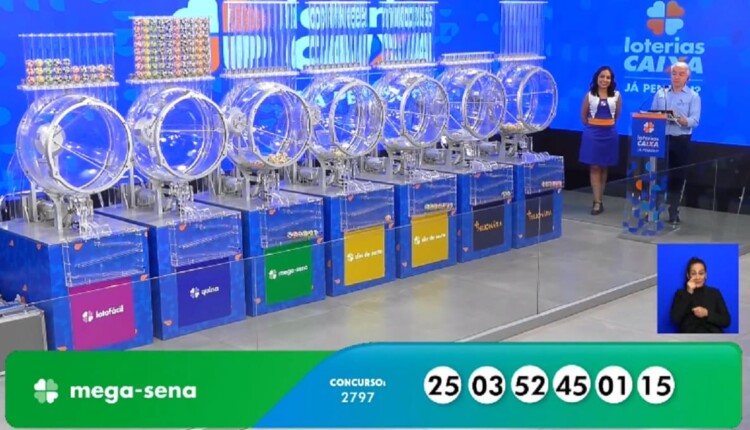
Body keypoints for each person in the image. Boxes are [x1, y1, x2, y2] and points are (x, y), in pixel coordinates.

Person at [651, 62, 701, 224]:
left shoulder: (693, 96)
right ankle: (654, 210)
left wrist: (676, 118)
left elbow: (694, 121)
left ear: (688, 77)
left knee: (677, 177)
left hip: (681, 141)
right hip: (661, 139)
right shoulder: (661, 93)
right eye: (674, 73)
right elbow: (651, 115)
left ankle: (673, 211)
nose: (676, 77)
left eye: (681, 74)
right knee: (657, 176)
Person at [578, 66, 622, 215]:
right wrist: (594, 126)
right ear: (597, 78)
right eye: (602, 76)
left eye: (608, 77)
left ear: (611, 80)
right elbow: (583, 116)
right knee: (595, 166)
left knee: (604, 166)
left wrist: (606, 124)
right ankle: (596, 202)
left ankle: (600, 199)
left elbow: (616, 115)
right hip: (593, 134)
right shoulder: (589, 95)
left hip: (609, 133)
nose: (605, 80)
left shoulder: (617, 95)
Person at [669, 257, 731, 334]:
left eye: (701, 273)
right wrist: (688, 292)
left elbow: (726, 321)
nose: (698, 277)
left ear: (705, 275)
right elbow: (675, 318)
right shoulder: (680, 293)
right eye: (693, 274)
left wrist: (707, 313)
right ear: (688, 275)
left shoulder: (714, 293)